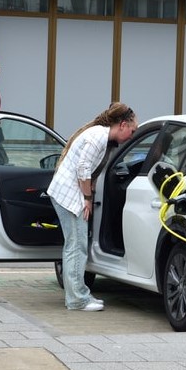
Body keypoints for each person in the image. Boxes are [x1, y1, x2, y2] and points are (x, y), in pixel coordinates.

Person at [46, 102, 138, 311]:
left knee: (74, 246)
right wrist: (88, 198)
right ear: (122, 125)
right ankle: (78, 299)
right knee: (76, 247)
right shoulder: (98, 137)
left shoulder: (102, 137)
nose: (131, 136)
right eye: (132, 131)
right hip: (70, 196)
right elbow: (83, 168)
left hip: (67, 193)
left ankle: (78, 296)